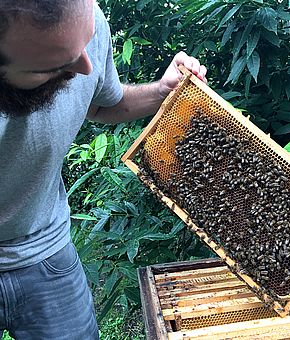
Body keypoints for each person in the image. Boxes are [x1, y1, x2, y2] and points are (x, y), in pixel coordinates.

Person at [0, 0, 207, 338]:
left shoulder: (82, 24)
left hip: (46, 250)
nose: (85, 66)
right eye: (53, 68)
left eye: (86, 41)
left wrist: (161, 91)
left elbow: (97, 102)